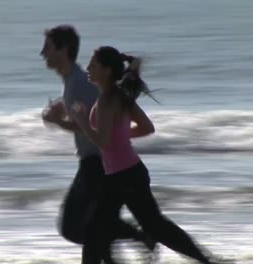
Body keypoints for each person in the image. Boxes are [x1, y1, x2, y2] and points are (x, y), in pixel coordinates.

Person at [71, 46, 219, 264]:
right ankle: (208, 261)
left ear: (107, 71)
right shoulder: (120, 96)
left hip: (125, 176)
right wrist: (120, 137)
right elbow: (146, 127)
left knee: (152, 227)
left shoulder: (106, 101)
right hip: (125, 174)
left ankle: (208, 261)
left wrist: (82, 119)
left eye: (93, 65)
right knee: (100, 231)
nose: (88, 68)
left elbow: (102, 140)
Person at [40, 25, 154, 263]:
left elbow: (96, 123)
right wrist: (64, 107)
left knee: (74, 227)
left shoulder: (79, 83)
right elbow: (93, 114)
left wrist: (60, 121)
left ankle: (139, 235)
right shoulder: (74, 81)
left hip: (97, 162)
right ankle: (138, 236)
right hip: (95, 161)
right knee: (94, 230)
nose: (43, 53)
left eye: (48, 47)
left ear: (64, 49)